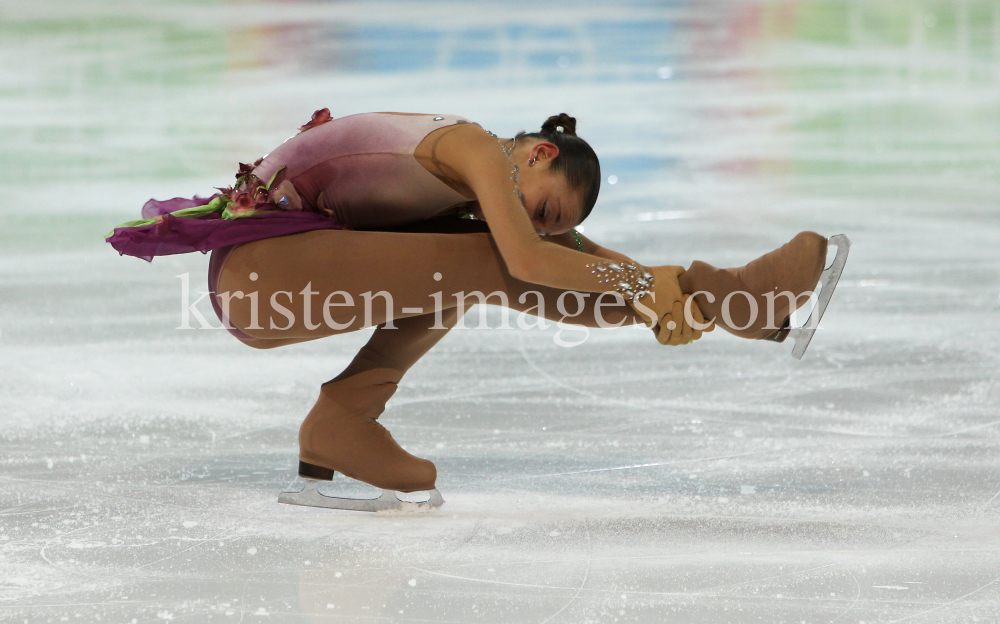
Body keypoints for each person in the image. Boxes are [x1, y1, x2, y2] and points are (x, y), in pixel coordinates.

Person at [107, 109, 836, 508]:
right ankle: (736, 299)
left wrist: (656, 294)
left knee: (467, 269)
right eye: (546, 208)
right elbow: (525, 262)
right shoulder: (478, 151)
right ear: (540, 154)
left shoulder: (489, 189)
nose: (543, 224)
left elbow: (567, 260)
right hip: (260, 275)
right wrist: (656, 292)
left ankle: (341, 423)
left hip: (289, 270)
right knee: (490, 263)